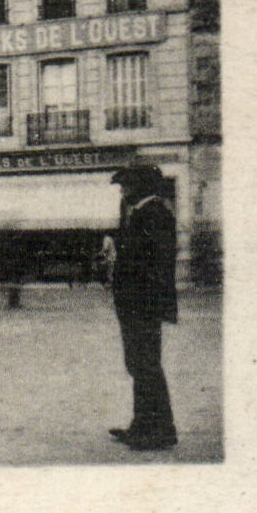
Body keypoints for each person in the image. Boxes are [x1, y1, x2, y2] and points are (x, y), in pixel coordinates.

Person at [109, 165, 178, 451]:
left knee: (146, 365)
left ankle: (159, 432)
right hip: (137, 303)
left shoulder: (154, 214)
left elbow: (154, 263)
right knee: (140, 365)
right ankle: (143, 426)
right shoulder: (143, 213)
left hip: (143, 304)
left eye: (126, 185)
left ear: (140, 187)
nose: (122, 190)